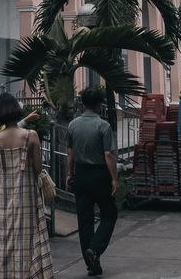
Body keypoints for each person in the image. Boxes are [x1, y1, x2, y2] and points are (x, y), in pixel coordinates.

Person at [0, 93, 53, 278]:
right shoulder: (31, 136)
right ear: (16, 109)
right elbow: (38, 168)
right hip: (27, 194)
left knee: (3, 238)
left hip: (3, 196)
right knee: (28, 240)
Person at [66, 87, 118, 277]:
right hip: (99, 174)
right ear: (99, 104)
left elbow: (70, 153)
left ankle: (91, 264)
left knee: (85, 219)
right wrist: (114, 178)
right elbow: (108, 155)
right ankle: (94, 251)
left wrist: (69, 173)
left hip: (80, 174)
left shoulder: (73, 125)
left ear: (83, 103)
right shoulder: (103, 126)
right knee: (109, 214)